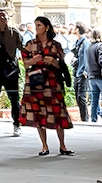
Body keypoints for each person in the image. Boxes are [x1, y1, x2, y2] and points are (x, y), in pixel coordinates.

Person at [20, 16, 73, 156]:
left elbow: (61, 65)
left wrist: (53, 62)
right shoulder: (30, 44)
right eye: (35, 25)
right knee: (38, 113)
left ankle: (62, 145)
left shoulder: (56, 45)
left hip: (52, 83)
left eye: (39, 25)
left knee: (58, 112)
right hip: (35, 83)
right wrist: (33, 60)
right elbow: (24, 64)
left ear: (46, 27)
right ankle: (44, 145)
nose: (36, 28)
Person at [85, 28, 102, 122]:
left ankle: (93, 118)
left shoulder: (89, 47)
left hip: (92, 76)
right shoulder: (101, 45)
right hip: (101, 76)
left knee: (94, 100)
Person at [71, 22, 89, 122]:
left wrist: (85, 70)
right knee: (77, 95)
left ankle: (85, 118)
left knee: (81, 96)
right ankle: (83, 117)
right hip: (77, 71)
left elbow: (86, 57)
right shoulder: (78, 42)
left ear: (77, 29)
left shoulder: (85, 42)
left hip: (82, 72)